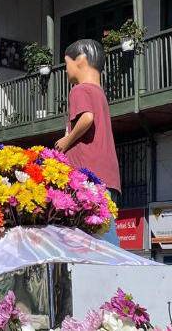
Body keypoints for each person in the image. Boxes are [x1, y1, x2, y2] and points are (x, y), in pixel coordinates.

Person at [54, 39, 122, 246]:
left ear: (81, 60)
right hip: (107, 175)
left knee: (91, 233)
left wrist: (66, 140)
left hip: (87, 174)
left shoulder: (79, 90)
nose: (65, 71)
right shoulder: (99, 93)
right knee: (105, 227)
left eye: (66, 64)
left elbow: (87, 118)